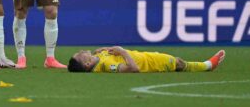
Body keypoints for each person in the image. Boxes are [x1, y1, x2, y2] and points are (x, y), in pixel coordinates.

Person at [68, 46, 225, 73]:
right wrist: (122, 51)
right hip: (150, 63)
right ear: (87, 64)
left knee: (177, 61)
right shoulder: (106, 67)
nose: (81, 51)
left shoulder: (97, 56)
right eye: (80, 55)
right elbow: (133, 68)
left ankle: (207, 65)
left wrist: (103, 50)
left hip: (145, 55)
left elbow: (102, 53)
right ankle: (208, 65)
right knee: (178, 62)